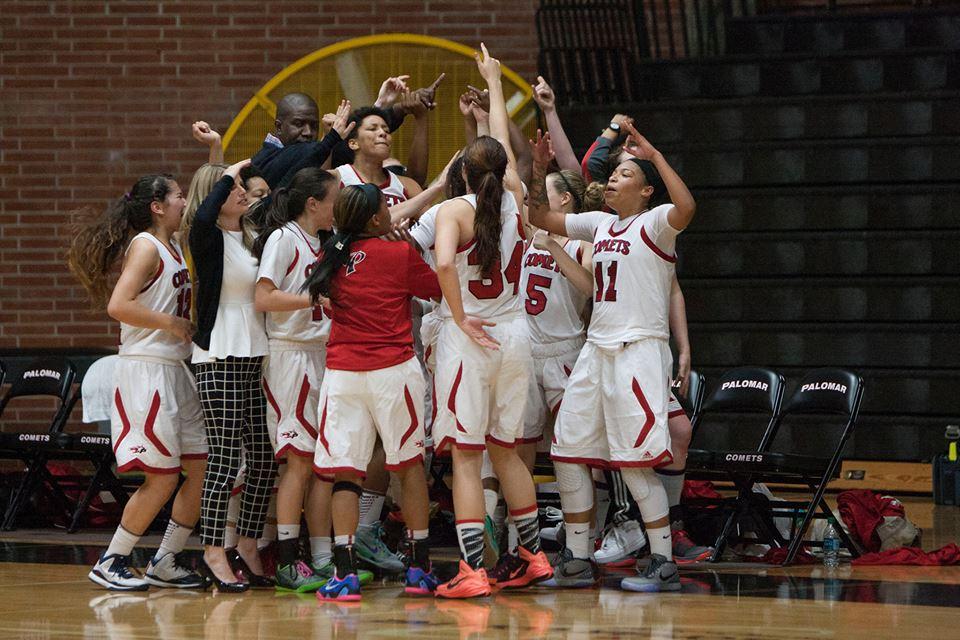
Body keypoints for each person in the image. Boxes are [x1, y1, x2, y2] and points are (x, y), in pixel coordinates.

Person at [527, 120, 697, 592]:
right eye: (614, 173)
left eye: (624, 175)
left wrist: (654, 154)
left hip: (638, 353)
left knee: (633, 462)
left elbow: (687, 206)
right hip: (596, 352)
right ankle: (578, 556)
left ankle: (662, 561)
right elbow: (541, 219)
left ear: (645, 191)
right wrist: (539, 167)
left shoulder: (657, 223)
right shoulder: (599, 224)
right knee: (566, 449)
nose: (612, 181)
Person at [431, 44, 552, 599]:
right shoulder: (516, 199)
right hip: (516, 339)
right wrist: (496, 84)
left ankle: (471, 569)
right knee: (507, 449)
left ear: (461, 169)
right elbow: (502, 147)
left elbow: (441, 264)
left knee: (467, 455)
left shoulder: (452, 211)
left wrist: (457, 317)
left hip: (472, 337)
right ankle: (531, 555)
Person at [304, 184, 442, 601]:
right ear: (376, 219)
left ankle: (344, 573)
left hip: (343, 375)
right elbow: (436, 289)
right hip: (392, 373)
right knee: (408, 466)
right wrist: (409, 251)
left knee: (345, 473)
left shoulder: (329, 257)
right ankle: (419, 567)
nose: (392, 209)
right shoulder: (399, 254)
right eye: (387, 206)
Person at [69, 175, 207, 591]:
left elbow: (208, 193)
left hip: (175, 367)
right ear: (157, 206)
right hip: (146, 370)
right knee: (162, 476)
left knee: (204, 464)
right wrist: (171, 322)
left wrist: (218, 151)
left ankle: (166, 558)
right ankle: (112, 559)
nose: (185, 200)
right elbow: (118, 305)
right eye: (178, 194)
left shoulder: (175, 241)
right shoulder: (146, 246)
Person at [252, 167, 340, 592]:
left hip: (320, 355)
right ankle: (287, 562)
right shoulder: (284, 239)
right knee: (298, 463)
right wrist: (313, 298)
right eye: (334, 198)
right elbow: (263, 297)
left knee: (322, 466)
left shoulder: (323, 241)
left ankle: (322, 558)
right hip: (289, 357)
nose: (338, 205)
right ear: (313, 203)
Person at [190, 159, 276, 592]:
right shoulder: (206, 236)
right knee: (224, 458)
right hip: (219, 353)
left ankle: (246, 541)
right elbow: (203, 213)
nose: (243, 192)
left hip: (251, 352)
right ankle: (211, 550)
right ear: (216, 194)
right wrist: (226, 172)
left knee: (262, 458)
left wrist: (334, 138)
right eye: (235, 188)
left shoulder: (248, 236)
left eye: (243, 185)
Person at [251, 95, 354, 189]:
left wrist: (329, 136)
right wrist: (331, 137)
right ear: (279, 127)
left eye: (314, 126)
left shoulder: (307, 152)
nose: (308, 132)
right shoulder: (266, 160)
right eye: (298, 124)